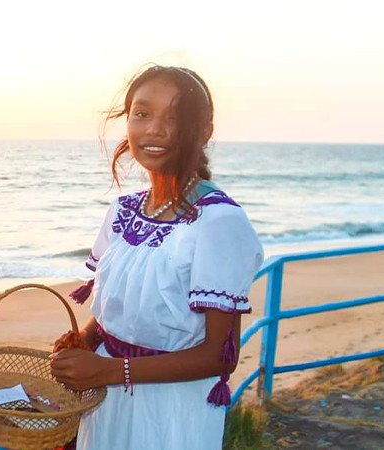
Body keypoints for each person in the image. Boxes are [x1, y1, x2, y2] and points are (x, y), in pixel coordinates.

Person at [49, 65, 264, 449]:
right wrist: (80, 342)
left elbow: (219, 356)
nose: (156, 129)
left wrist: (111, 370)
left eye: (176, 117)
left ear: (205, 131)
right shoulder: (123, 210)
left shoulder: (218, 220)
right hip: (106, 402)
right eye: (142, 114)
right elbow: (114, 313)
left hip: (168, 412)